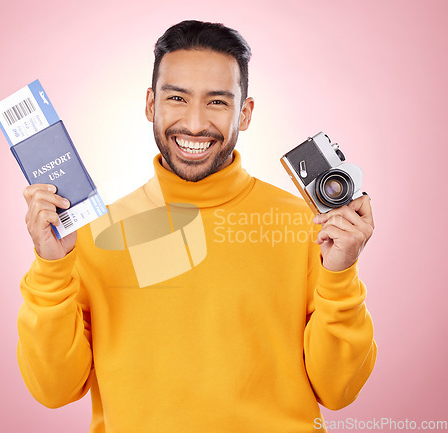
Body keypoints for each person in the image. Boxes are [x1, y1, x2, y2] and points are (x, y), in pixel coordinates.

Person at [19, 20, 376, 433]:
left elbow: (339, 390)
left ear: (244, 113)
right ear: (151, 104)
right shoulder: (91, 236)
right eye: (177, 97)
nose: (193, 123)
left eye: (217, 102)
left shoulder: (306, 226)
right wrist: (50, 270)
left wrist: (340, 274)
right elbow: (54, 389)